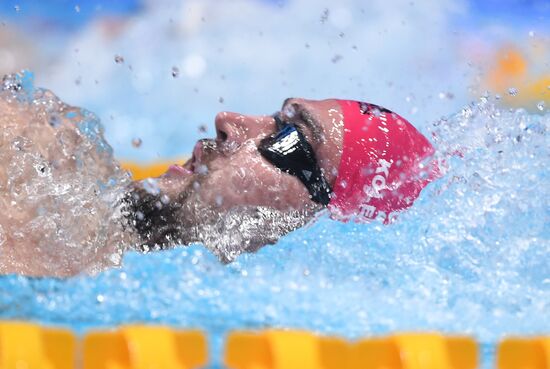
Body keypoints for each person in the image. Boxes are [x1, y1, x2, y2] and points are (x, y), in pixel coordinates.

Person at [0, 76, 437, 276]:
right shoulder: (37, 152)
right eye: (272, 118)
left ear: (329, 229)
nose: (227, 119)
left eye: (287, 140)